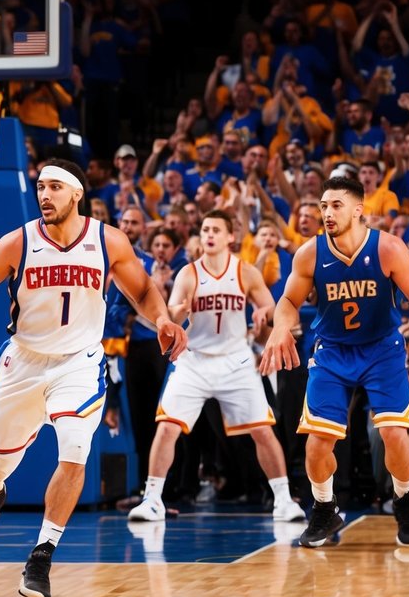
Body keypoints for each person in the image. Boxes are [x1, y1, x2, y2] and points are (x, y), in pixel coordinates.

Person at [0, 159, 187, 597]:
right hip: (23, 362)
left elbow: (140, 290)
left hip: (79, 362)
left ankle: (41, 556)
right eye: (41, 187)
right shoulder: (18, 241)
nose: (45, 195)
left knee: (75, 453)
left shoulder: (107, 241)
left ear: (76, 193)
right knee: (1, 462)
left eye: (55, 188)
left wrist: (161, 318)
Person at [260, 175, 409, 548]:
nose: (326, 212)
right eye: (323, 205)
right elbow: (289, 302)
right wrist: (280, 327)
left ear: (359, 210)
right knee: (317, 443)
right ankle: (325, 509)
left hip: (382, 350)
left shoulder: (388, 248)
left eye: (335, 205)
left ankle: (404, 500)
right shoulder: (310, 253)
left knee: (392, 433)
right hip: (333, 351)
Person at [129, 209, 302, 524]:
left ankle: (283, 500)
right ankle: (152, 500)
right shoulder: (188, 274)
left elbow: (272, 308)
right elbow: (168, 321)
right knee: (167, 427)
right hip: (195, 360)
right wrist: (178, 312)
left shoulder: (246, 272)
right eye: (205, 229)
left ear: (230, 237)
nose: (208, 235)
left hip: (236, 361)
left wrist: (265, 313)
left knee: (263, 431)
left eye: (215, 230)